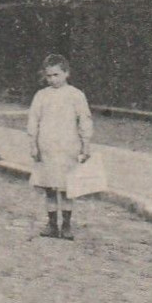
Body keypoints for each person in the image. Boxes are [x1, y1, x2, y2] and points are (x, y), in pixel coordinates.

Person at [27, 54, 102, 240]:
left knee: (67, 187)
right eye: (49, 76)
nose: (53, 79)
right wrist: (33, 145)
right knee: (50, 187)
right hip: (47, 147)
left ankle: (66, 225)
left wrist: (86, 145)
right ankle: (52, 225)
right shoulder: (41, 95)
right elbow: (33, 120)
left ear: (66, 73)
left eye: (56, 75)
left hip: (68, 146)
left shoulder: (76, 95)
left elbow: (84, 120)